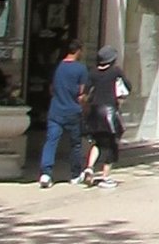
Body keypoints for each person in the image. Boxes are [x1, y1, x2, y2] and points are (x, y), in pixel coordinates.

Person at [39, 38, 90, 188]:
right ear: (78, 51)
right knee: (75, 144)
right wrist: (85, 106)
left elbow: (52, 89)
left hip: (56, 110)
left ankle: (46, 174)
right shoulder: (81, 69)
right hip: (73, 111)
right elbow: (81, 93)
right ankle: (75, 174)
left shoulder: (57, 67)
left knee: (51, 142)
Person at [81, 45, 132, 186]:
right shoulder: (115, 71)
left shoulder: (93, 73)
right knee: (111, 145)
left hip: (95, 111)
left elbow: (85, 92)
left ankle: (89, 167)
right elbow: (128, 87)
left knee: (97, 142)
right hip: (109, 112)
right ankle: (105, 177)